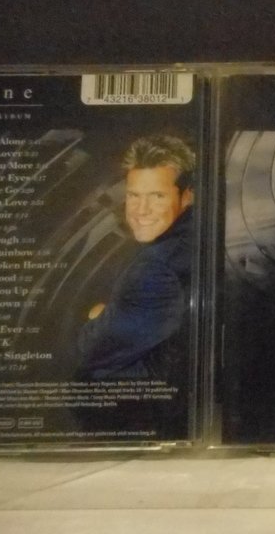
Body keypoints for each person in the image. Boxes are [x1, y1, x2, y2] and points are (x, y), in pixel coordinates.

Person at [77, 134, 195, 381]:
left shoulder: (154, 270)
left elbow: (90, 350)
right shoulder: (189, 239)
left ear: (187, 197)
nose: (141, 210)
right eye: (134, 195)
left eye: (157, 196)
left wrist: (97, 315)